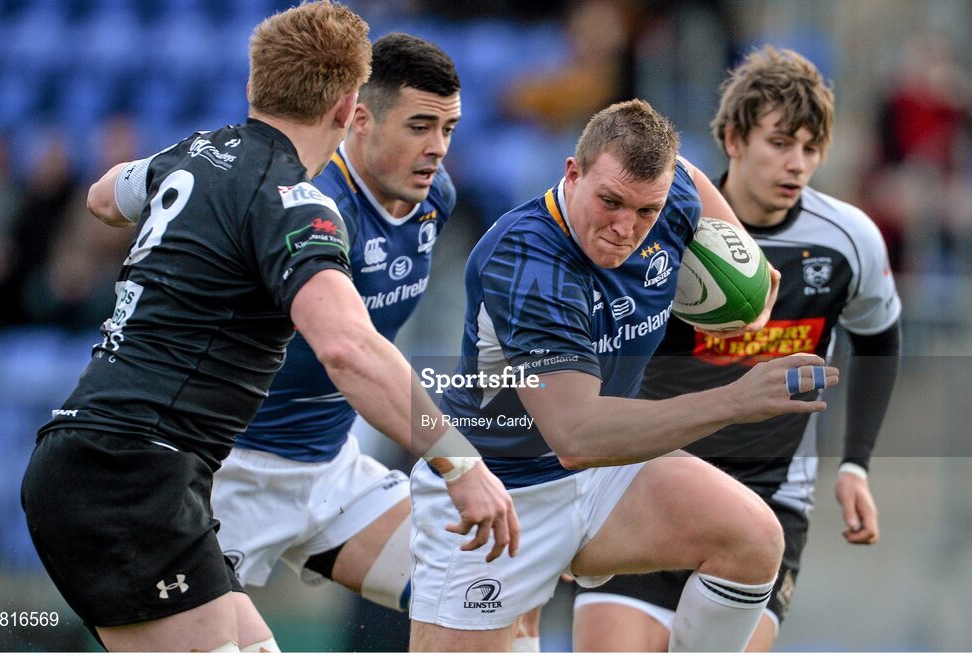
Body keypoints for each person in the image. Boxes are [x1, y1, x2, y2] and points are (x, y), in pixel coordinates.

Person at [20, 4, 518, 652]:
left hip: (119, 462)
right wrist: (458, 463)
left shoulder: (195, 153)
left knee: (478, 594)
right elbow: (347, 347)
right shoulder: (296, 204)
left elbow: (102, 195)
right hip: (134, 477)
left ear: (254, 87)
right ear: (347, 109)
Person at [408, 97, 840, 652]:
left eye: (646, 211)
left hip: (608, 478)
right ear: (573, 172)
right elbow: (576, 437)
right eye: (610, 201)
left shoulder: (670, 191)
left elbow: (683, 173)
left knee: (753, 539)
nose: (624, 228)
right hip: (500, 494)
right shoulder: (528, 262)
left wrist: (749, 275)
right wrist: (735, 400)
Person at [205, 31, 545, 652]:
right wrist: (461, 462)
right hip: (229, 475)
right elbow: (350, 354)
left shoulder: (433, 200)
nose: (437, 149)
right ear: (358, 119)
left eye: (449, 128)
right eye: (420, 126)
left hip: (329, 471)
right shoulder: (309, 205)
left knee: (498, 590)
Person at [571, 47, 902, 652]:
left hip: (766, 499)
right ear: (732, 138)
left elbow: (879, 338)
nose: (796, 163)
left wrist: (856, 463)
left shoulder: (849, 239)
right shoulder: (655, 225)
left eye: (810, 147)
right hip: (648, 484)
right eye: (779, 142)